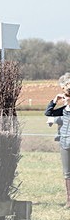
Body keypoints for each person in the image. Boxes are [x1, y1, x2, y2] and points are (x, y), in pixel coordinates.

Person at [45, 74, 70, 208]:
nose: (64, 99)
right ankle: (69, 200)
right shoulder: (63, 110)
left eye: (66, 97)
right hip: (65, 143)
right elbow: (48, 113)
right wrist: (54, 100)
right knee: (67, 173)